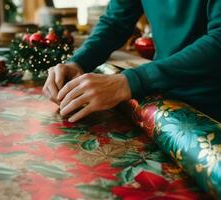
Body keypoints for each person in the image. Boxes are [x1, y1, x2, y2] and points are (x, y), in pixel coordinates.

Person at [43, 0, 221, 123]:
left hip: (212, 105)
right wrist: (78, 62)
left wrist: (131, 81)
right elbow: (115, 23)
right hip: (164, 96)